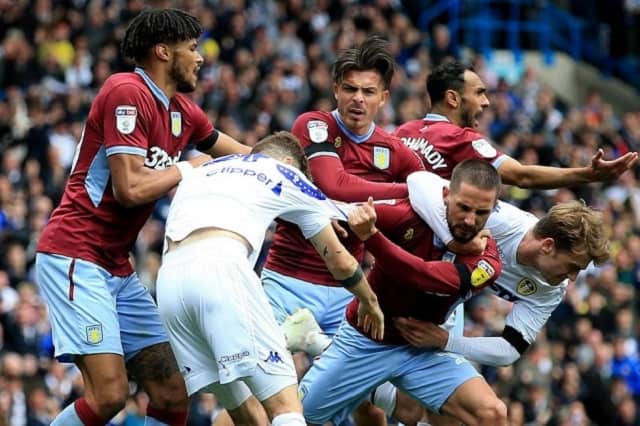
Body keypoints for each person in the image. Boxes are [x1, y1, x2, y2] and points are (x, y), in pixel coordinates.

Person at [35, 9, 249, 426]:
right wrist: (188, 168)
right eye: (192, 48)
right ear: (163, 51)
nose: (201, 57)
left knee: (172, 393)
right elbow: (129, 189)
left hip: (116, 267)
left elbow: (246, 156)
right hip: (75, 255)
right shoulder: (125, 91)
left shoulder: (184, 112)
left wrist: (302, 170)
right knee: (108, 396)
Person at [155, 131, 383, 426]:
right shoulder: (286, 173)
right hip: (220, 270)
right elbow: (339, 261)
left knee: (247, 415)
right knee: (286, 407)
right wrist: (369, 300)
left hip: (170, 287)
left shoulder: (205, 167)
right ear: (290, 163)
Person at [380, 170, 611, 423]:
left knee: (447, 416)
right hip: (395, 282)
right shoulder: (502, 222)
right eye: (573, 266)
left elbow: (509, 349)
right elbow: (418, 181)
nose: (574, 277)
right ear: (547, 246)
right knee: (407, 409)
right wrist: (452, 242)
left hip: (445, 307)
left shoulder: (552, 288)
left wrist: (445, 340)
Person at [300, 159, 507, 426]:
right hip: (366, 342)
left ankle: (322, 346)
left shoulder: (488, 261)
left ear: (494, 209)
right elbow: (339, 207)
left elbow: (423, 277)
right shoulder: (408, 217)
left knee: (492, 414)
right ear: (446, 195)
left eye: (481, 213)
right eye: (463, 207)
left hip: (423, 351)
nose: (469, 220)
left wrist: (372, 237)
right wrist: (334, 216)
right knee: (292, 417)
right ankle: (324, 347)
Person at [393, 60, 637, 186]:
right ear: (453, 98)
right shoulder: (462, 140)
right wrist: (587, 175)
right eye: (479, 93)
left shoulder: (402, 132)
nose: (486, 102)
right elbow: (522, 176)